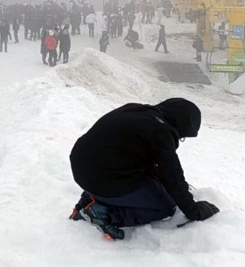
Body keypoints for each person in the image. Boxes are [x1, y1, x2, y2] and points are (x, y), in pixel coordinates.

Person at [69, 98, 219, 240]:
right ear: (180, 125)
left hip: (82, 167)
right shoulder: (161, 132)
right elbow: (173, 177)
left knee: (145, 177)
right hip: (103, 178)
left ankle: (87, 200)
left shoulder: (136, 110)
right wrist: (195, 211)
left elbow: (142, 159)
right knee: (165, 206)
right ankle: (105, 215)